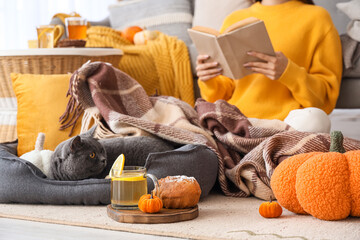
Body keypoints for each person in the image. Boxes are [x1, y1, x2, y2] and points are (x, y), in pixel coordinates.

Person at [195, 0, 342, 133]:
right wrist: (208, 79)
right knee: (177, 108)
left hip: (288, 124)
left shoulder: (318, 18)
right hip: (238, 120)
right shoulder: (235, 18)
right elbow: (220, 95)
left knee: (316, 119)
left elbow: (325, 100)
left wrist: (288, 72)